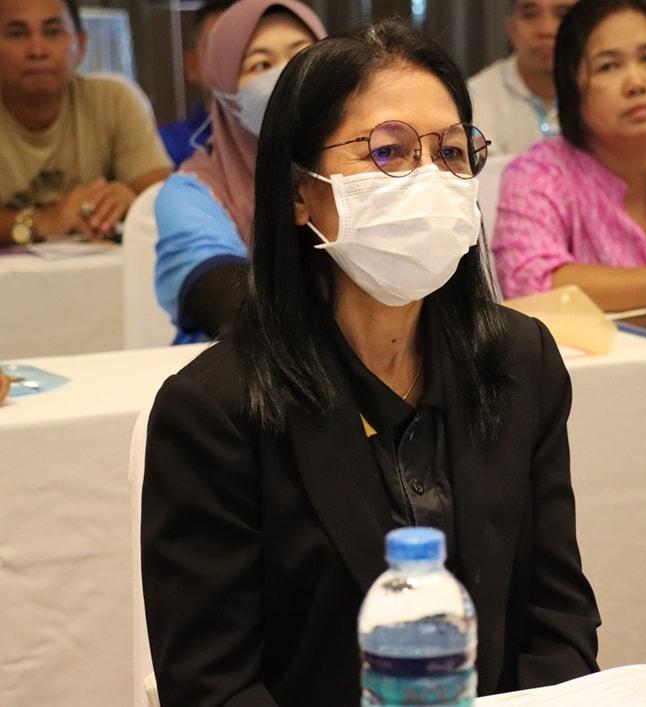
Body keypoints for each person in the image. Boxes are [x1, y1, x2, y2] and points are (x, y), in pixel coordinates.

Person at [141, 19, 601, 706]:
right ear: (300, 191)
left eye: (451, 153)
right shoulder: (215, 410)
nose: (429, 179)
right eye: (389, 152)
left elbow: (560, 620)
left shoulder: (519, 359)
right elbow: (214, 686)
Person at [492, 0, 646, 311]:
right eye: (608, 66)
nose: (636, 83)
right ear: (571, 84)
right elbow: (531, 284)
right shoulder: (537, 175)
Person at [153, 0, 325, 344]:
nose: (288, 74)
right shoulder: (191, 193)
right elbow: (231, 306)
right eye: (261, 64)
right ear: (225, 88)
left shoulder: (361, 168)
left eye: (302, 55)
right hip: (234, 367)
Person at [0, 0, 172, 245]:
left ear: (80, 45)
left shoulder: (116, 100)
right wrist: (41, 221)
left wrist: (131, 199)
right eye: (17, 34)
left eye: (52, 32)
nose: (37, 50)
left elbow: (164, 200)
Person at [468, 0, 573, 155]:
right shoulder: (475, 98)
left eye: (562, 15)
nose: (546, 29)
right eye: (530, 15)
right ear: (511, 27)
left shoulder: (603, 90)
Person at [158, 0, 236, 168]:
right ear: (192, 64)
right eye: (223, 47)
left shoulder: (290, 140)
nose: (239, 59)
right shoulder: (161, 149)